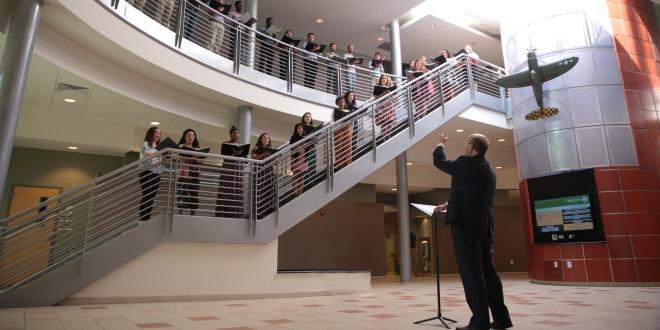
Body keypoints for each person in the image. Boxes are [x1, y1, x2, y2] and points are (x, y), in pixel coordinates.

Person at [432, 133, 512, 330]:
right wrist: (448, 204)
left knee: (472, 273)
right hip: (484, 226)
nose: (465, 146)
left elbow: (438, 161)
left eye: (467, 143)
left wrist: (440, 143)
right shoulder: (489, 169)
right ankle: (502, 319)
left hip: (466, 226)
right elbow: (470, 195)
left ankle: (479, 322)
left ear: (472, 148)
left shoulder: (464, 164)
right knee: (488, 272)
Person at [216, 126, 246, 218]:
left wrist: (241, 154)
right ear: (230, 134)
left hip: (238, 170)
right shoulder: (225, 143)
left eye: (237, 133)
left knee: (237, 189)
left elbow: (246, 159)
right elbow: (223, 156)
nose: (236, 134)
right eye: (234, 133)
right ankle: (223, 213)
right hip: (228, 169)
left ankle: (237, 213)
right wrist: (234, 154)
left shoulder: (241, 146)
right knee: (226, 188)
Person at [138, 126, 162, 221]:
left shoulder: (160, 147)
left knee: (152, 196)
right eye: (156, 132)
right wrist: (158, 151)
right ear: (151, 133)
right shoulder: (145, 144)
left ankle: (147, 217)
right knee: (146, 194)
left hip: (157, 173)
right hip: (146, 171)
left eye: (159, 133)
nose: (158, 134)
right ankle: (142, 218)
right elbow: (145, 155)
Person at [177, 129, 202, 215]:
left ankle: (193, 214)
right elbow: (181, 159)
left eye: (192, 135)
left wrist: (199, 159)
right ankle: (180, 213)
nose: (191, 137)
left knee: (194, 194)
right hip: (184, 173)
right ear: (185, 137)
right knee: (182, 193)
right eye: (189, 135)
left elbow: (201, 163)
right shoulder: (181, 146)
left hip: (195, 173)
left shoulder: (197, 149)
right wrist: (193, 157)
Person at [252, 132, 276, 218]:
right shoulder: (256, 148)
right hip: (260, 172)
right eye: (264, 138)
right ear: (261, 139)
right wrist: (263, 154)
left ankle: (268, 209)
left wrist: (275, 156)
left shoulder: (271, 149)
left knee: (269, 190)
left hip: (269, 172)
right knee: (260, 189)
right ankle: (258, 211)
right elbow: (253, 158)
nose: (266, 139)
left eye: (267, 138)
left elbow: (275, 162)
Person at [373, 74, 395, 143]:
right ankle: (383, 138)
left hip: (389, 106)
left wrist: (390, 93)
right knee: (383, 123)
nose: (384, 80)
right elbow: (376, 99)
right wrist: (383, 93)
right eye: (383, 78)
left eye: (385, 78)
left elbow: (394, 99)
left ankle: (389, 137)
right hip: (381, 106)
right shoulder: (377, 88)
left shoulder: (389, 87)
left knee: (390, 123)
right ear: (380, 80)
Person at [333, 96, 352, 170]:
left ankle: (347, 163)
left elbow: (351, 120)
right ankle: (339, 165)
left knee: (347, 146)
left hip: (347, 128)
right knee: (339, 146)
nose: (341, 103)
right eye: (340, 102)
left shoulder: (348, 111)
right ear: (337, 103)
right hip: (338, 129)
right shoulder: (335, 111)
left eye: (343, 102)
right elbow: (333, 121)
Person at [289, 123, 308, 196]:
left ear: (303, 129)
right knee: (295, 176)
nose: (300, 129)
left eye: (301, 128)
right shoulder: (294, 137)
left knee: (302, 178)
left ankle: (300, 193)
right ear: (296, 129)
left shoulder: (306, 137)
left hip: (304, 159)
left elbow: (308, 147)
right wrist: (299, 148)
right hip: (296, 159)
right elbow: (292, 148)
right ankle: (295, 193)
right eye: (298, 128)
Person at [301, 112, 317, 186]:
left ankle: (312, 180)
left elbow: (316, 139)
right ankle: (305, 182)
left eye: (309, 116)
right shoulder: (301, 127)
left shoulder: (313, 128)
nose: (308, 118)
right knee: (305, 164)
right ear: (304, 119)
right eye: (306, 116)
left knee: (312, 164)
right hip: (305, 148)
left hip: (312, 147)